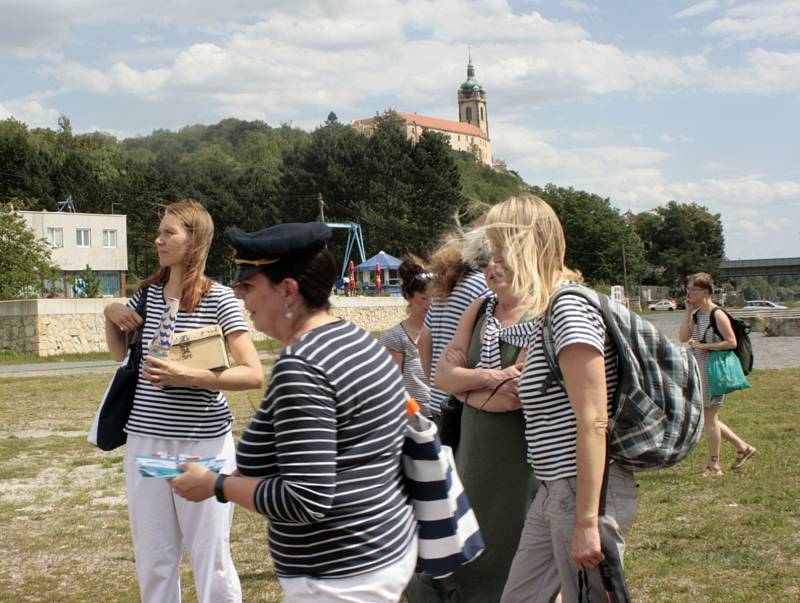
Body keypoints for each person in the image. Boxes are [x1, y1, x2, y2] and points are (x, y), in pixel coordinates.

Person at [171, 222, 418, 602]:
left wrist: (216, 486)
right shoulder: (354, 340)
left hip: (338, 573)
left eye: (248, 286)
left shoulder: (303, 365)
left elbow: (305, 499)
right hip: (378, 551)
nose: (239, 297)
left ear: (287, 291)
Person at [103, 199, 264, 603]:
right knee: (155, 558)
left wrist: (188, 376)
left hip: (202, 447)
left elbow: (253, 372)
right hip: (148, 444)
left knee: (210, 557)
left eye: (169, 233)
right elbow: (120, 355)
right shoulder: (147, 296)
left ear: (195, 241)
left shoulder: (219, 299)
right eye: (159, 231)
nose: (158, 239)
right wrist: (110, 313)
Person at [482, 195, 638, 603]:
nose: (493, 258)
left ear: (523, 245)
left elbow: (593, 420)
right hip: (555, 489)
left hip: (580, 492)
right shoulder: (548, 312)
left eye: (498, 245)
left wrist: (587, 522)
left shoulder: (568, 309)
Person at [407, 232, 538, 602]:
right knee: (467, 535)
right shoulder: (481, 305)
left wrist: (465, 388)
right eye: (484, 262)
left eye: (499, 259)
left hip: (518, 455)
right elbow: (443, 377)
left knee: (511, 543)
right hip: (473, 445)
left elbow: (516, 397)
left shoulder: (542, 312)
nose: (490, 268)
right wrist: (491, 379)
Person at [678, 272, 756, 476]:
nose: (689, 293)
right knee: (708, 418)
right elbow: (683, 337)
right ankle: (743, 447)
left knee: (709, 418)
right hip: (700, 369)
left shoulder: (717, 314)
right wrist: (687, 312)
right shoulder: (697, 314)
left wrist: (705, 346)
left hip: (713, 370)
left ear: (704, 291)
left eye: (692, 290)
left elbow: (732, 342)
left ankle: (715, 465)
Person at [418, 233, 489, 421]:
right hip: (462, 398)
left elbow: (424, 341)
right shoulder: (483, 287)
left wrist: (432, 380)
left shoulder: (444, 290)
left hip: (437, 399)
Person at [379, 257, 433, 416]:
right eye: (424, 298)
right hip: (415, 420)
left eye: (434, 296)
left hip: (442, 415)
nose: (430, 303)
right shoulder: (395, 337)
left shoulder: (443, 330)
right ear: (407, 296)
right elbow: (393, 388)